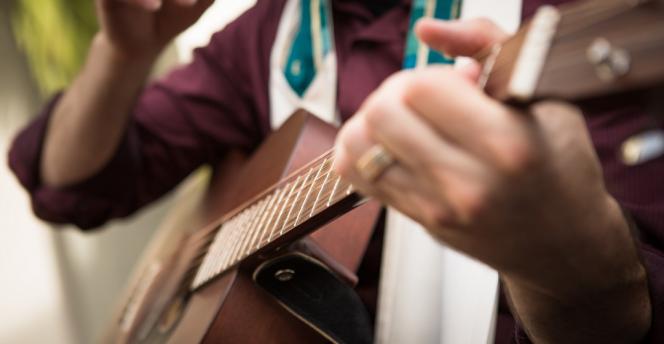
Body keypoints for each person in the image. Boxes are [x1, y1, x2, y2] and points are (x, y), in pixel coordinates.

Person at [7, 0, 660, 342]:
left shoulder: (557, 20)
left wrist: (575, 274)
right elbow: (73, 187)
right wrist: (122, 54)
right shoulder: (269, 30)